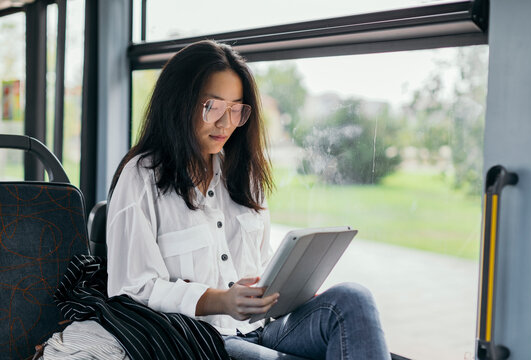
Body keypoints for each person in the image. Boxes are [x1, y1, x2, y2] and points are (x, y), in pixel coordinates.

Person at [106, 40, 390, 360]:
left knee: (353, 298)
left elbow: (260, 264)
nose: (226, 123)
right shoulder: (142, 176)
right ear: (178, 103)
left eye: (236, 108)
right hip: (203, 340)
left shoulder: (244, 174)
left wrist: (287, 286)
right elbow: (131, 290)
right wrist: (221, 300)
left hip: (264, 328)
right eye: (212, 106)